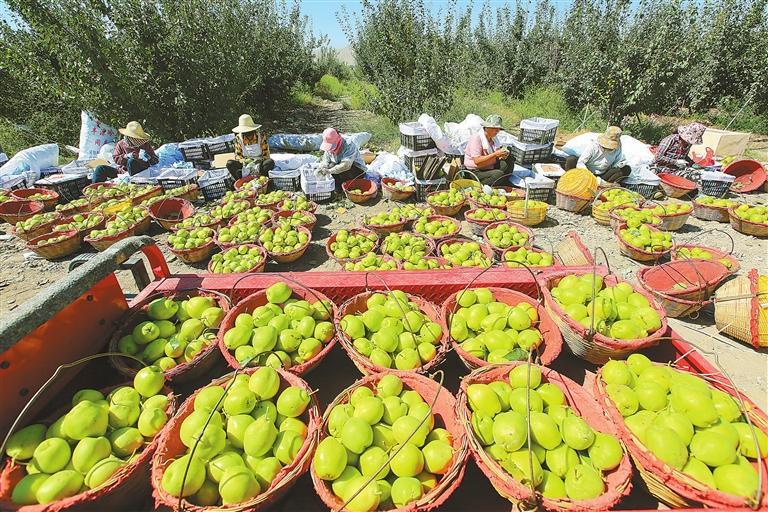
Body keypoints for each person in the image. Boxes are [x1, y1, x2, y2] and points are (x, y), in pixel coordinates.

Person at [92, 121, 158, 183]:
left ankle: (133, 183)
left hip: (140, 172)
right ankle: (95, 189)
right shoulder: (120, 144)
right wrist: (126, 156)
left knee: (132, 161)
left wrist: (149, 157)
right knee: (100, 168)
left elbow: (155, 160)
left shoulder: (145, 145)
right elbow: (115, 158)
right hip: (123, 172)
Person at [565, 126, 630, 182]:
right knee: (571, 159)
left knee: (626, 169)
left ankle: (606, 185)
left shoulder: (618, 148)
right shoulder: (594, 146)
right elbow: (581, 162)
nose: (608, 149)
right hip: (587, 173)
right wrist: (589, 176)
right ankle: (571, 180)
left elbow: (616, 164)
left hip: (603, 175)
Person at [463, 115, 514, 185]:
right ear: (487, 128)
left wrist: (503, 155)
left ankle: (501, 183)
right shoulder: (477, 138)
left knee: (509, 160)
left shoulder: (493, 138)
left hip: (488, 165)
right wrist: (495, 154)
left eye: (498, 129)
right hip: (476, 170)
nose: (497, 131)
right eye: (495, 128)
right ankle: (481, 186)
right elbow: (477, 161)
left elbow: (497, 152)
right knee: (498, 174)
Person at [227, 114, 274, 180]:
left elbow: (266, 155)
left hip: (259, 164)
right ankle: (240, 181)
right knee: (230, 163)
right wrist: (245, 161)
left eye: (249, 131)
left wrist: (257, 161)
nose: (247, 134)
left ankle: (263, 180)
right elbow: (238, 156)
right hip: (245, 165)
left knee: (270, 162)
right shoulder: (238, 138)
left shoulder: (261, 136)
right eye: (244, 132)